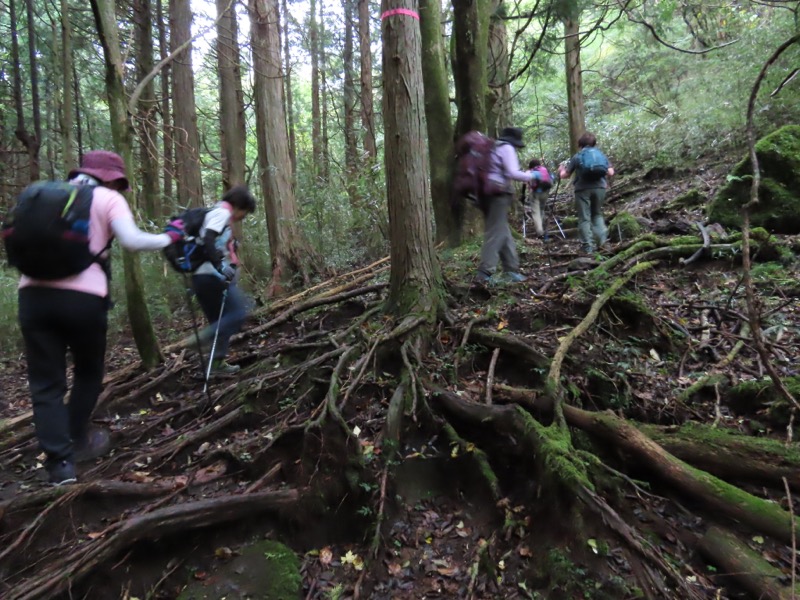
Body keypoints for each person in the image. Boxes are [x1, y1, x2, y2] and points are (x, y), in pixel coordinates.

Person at [17, 150, 184, 485]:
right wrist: (171, 236)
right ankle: (76, 439)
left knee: (46, 384)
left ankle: (59, 465)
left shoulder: (38, 194)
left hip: (33, 297)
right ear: (111, 178)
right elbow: (132, 241)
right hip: (84, 299)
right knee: (89, 372)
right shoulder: (107, 198)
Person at [188, 186, 256, 375]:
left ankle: (215, 366)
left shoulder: (214, 213)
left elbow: (210, 240)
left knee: (219, 322)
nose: (243, 216)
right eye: (245, 212)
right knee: (238, 312)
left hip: (200, 277)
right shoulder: (221, 214)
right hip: (212, 276)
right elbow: (209, 239)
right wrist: (220, 267)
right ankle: (202, 338)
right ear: (239, 206)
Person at [476, 127, 535, 284]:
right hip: (498, 193)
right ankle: (484, 272)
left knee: (502, 229)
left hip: (485, 194)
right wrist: (531, 175)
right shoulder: (507, 148)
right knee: (496, 231)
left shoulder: (492, 148)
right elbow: (512, 173)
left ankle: (511, 269)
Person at [558, 132, 615, 254]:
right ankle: (603, 243)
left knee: (584, 218)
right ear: (594, 143)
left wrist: (561, 170)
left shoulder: (578, 156)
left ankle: (588, 247)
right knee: (597, 215)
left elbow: (565, 175)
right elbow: (610, 172)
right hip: (600, 188)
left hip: (582, 189)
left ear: (580, 144)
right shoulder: (601, 155)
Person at [523, 158, 551, 239]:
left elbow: (525, 180)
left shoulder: (531, 171)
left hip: (535, 194)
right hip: (545, 192)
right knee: (542, 210)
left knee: (536, 213)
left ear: (531, 166)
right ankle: (543, 228)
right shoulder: (544, 170)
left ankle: (540, 232)